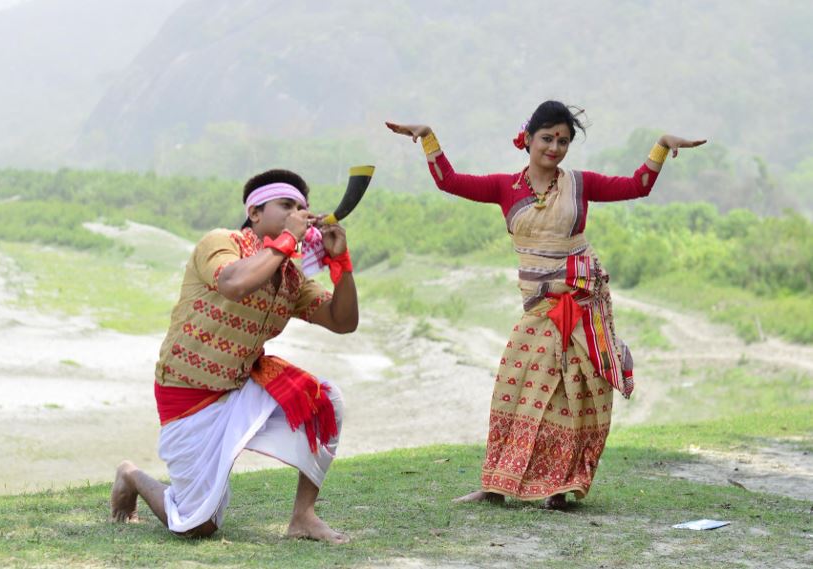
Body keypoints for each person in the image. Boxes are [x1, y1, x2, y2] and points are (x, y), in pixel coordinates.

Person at [386, 101, 705, 508]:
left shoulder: (580, 184)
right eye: (547, 138)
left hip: (581, 300)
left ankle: (561, 487)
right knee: (513, 388)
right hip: (539, 307)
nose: (554, 148)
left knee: (575, 392)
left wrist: (660, 146)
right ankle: (496, 484)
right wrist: (427, 137)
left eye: (563, 141)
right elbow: (449, 181)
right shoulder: (506, 188)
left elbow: (636, 186)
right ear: (529, 139)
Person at [110, 168, 358, 542]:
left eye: (303, 208)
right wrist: (290, 237)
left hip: (240, 388)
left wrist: (341, 264)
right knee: (198, 526)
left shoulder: (291, 277)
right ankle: (130, 474)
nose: (299, 213)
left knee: (326, 401)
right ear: (255, 213)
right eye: (287, 205)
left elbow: (343, 322)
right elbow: (233, 283)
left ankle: (303, 516)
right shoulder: (221, 242)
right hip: (187, 395)